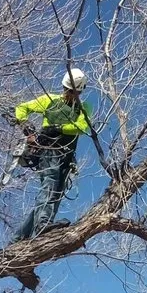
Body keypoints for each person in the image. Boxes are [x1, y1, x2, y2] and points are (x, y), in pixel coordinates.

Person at [12, 67, 92, 243]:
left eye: (74, 92)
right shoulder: (50, 100)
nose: (70, 94)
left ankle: (20, 238)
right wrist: (27, 130)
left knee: (54, 194)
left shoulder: (83, 108)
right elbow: (21, 108)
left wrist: (58, 128)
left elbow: (81, 127)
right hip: (47, 150)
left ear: (80, 91)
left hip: (66, 157)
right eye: (68, 90)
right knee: (49, 184)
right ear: (64, 87)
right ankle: (43, 225)